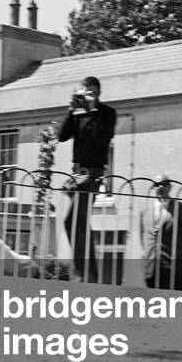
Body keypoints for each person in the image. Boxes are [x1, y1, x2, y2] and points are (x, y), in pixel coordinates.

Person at [57, 76, 117, 282]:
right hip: (77, 174)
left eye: (91, 92)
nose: (88, 96)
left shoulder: (107, 113)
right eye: (85, 92)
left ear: (98, 93)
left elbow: (101, 138)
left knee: (71, 221)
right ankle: (89, 274)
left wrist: (92, 109)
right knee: (81, 223)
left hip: (93, 172)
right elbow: (62, 136)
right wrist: (71, 110)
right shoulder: (78, 113)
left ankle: (83, 274)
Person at [140, 175, 182, 291]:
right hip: (151, 267)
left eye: (163, 184)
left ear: (170, 187)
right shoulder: (145, 211)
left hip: (174, 266)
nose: (160, 187)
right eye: (156, 185)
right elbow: (143, 238)